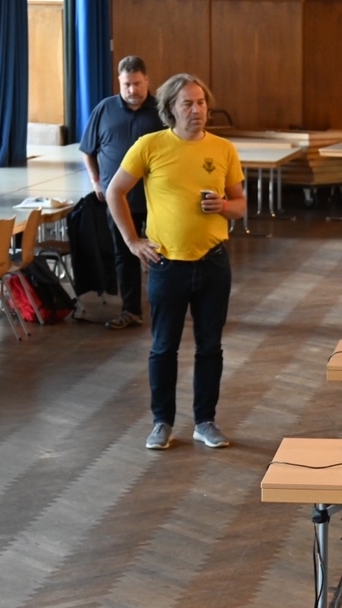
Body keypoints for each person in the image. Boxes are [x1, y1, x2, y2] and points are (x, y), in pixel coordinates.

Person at [106, 73, 247, 450]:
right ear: (170, 108)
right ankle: (162, 422)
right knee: (164, 347)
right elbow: (114, 191)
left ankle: (205, 421)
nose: (197, 109)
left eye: (201, 102)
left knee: (210, 347)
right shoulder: (150, 145)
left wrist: (225, 206)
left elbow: (241, 205)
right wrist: (133, 241)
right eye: (188, 103)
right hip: (168, 264)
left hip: (214, 262)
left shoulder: (223, 149)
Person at [78, 56, 165, 330]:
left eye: (137, 84)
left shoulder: (161, 111)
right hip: (118, 202)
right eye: (127, 84)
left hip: (155, 200)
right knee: (124, 254)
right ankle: (131, 311)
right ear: (119, 82)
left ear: (147, 80)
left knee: (161, 254)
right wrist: (96, 181)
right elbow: (87, 151)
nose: (132, 90)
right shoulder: (104, 109)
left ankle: (164, 308)